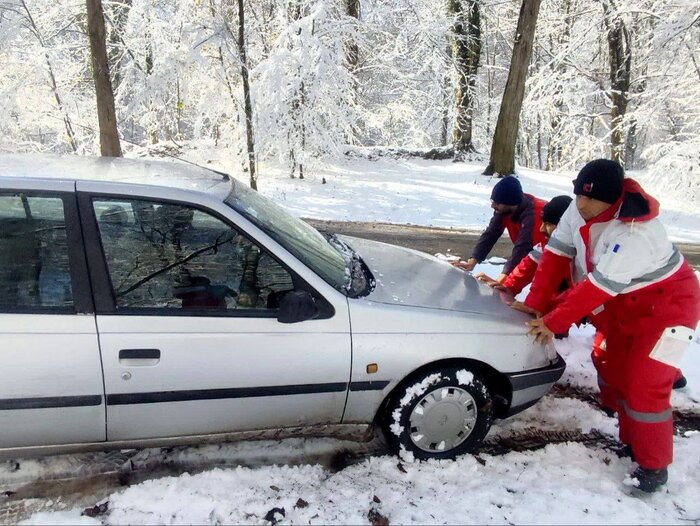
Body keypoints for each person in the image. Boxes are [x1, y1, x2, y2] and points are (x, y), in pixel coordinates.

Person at [520, 159, 700, 493]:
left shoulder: (636, 231)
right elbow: (555, 256)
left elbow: (596, 287)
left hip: (669, 308)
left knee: (645, 383)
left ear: (613, 200)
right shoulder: (579, 209)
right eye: (579, 195)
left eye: (591, 199)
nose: (582, 204)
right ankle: (632, 441)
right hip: (623, 303)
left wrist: (553, 320)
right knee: (611, 366)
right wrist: (533, 305)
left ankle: (653, 465)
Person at [452, 176, 547, 283]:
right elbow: (491, 233)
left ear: (511, 203)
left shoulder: (535, 215)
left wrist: (501, 281)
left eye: (497, 203)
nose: (492, 205)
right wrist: (473, 260)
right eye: (492, 201)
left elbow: (522, 250)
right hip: (536, 257)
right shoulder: (504, 210)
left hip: (554, 262)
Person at [476, 195, 573, 296]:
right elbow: (528, 266)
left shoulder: (584, 252)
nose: (542, 229)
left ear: (565, 226)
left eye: (548, 224)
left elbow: (578, 297)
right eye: (542, 222)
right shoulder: (549, 244)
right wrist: (507, 286)